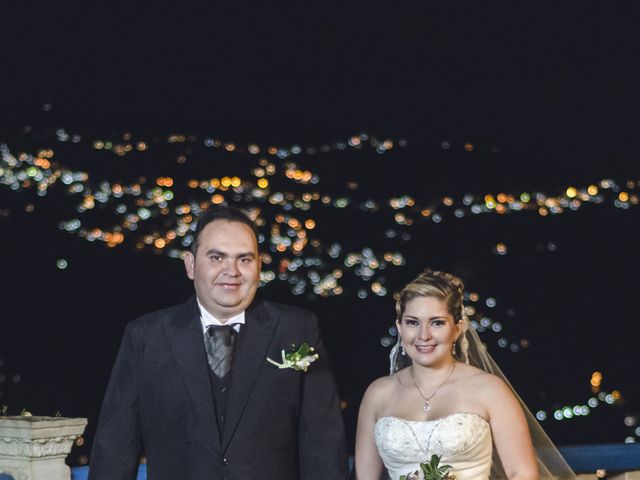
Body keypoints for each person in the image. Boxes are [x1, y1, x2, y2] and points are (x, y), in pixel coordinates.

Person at [88, 205, 349, 480]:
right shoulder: (146, 336)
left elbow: (323, 443)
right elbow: (116, 444)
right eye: (216, 257)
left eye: (244, 259)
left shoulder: (298, 329)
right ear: (190, 265)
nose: (231, 271)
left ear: (259, 266)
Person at [355, 270, 575, 480]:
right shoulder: (377, 394)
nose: (424, 335)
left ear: (457, 329)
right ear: (400, 328)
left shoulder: (489, 389)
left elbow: (523, 474)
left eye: (437, 323)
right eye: (413, 322)